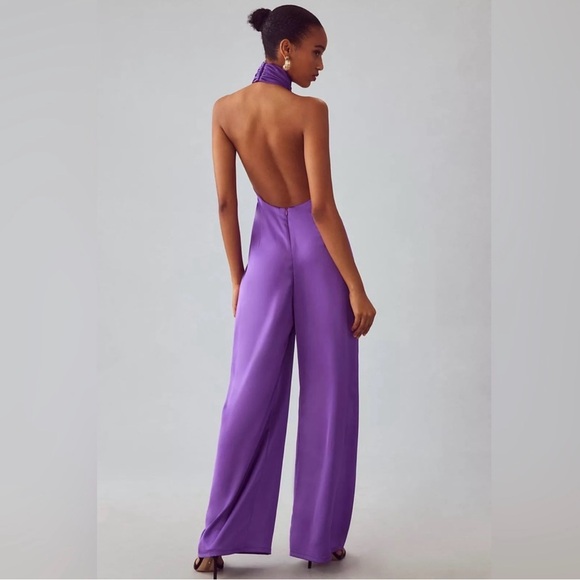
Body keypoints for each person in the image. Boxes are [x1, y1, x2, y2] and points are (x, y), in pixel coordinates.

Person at [193, 4, 376, 577]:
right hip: (318, 257)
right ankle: (320, 540)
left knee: (247, 393)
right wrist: (357, 288)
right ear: (286, 50)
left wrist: (238, 277)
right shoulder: (311, 112)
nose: (321, 65)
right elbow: (321, 208)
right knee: (330, 393)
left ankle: (215, 542)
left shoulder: (225, 110)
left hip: (266, 257)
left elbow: (226, 203)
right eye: (316, 52)